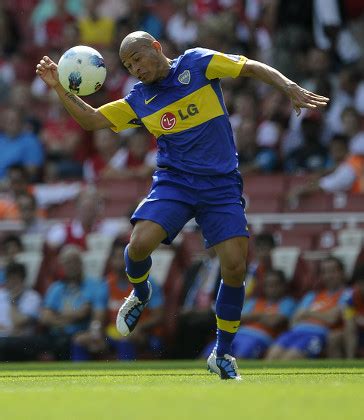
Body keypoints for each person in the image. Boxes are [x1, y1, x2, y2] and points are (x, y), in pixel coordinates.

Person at [35, 30, 329, 379]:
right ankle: (141, 293)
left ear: (156, 48)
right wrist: (58, 87)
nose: (136, 70)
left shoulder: (198, 63)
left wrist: (289, 87)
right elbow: (91, 119)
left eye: (139, 59)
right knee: (139, 244)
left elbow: (249, 67)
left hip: (220, 186)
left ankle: (222, 354)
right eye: (129, 66)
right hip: (176, 182)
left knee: (235, 267)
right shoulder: (139, 99)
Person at [202, 269, 296, 359]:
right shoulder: (254, 302)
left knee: (240, 357)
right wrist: (263, 316)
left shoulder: (287, 303)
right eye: (268, 285)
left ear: (284, 286)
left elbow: (274, 322)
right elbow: (235, 319)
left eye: (275, 284)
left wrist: (251, 317)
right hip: (236, 335)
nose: (272, 288)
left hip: (260, 338)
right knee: (209, 354)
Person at [266, 256, 347, 360]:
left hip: (317, 334)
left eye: (333, 271)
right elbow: (295, 319)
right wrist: (322, 315)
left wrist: (308, 313)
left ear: (342, 273)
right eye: (325, 272)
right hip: (295, 332)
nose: (328, 276)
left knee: (288, 359)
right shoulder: (312, 295)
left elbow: (332, 318)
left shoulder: (346, 294)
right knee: (271, 357)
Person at [0, 262, 42, 361]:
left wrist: (13, 302)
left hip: (22, 341)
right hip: (4, 337)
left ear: (23, 279)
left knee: (6, 345)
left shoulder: (33, 297)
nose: (12, 282)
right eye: (10, 278)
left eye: (16, 278)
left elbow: (18, 322)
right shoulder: (1, 295)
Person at [342, 265, 364, 358]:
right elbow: (347, 316)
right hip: (359, 333)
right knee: (349, 327)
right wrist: (355, 318)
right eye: (360, 284)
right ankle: (350, 361)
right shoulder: (351, 297)